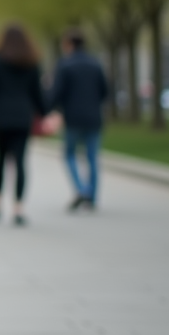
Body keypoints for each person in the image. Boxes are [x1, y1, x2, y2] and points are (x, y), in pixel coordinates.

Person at [0, 24, 50, 226]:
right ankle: (18, 208)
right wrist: (44, 114)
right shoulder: (31, 61)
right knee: (21, 161)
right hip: (22, 117)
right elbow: (37, 93)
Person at [49, 27, 109, 211]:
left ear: (68, 44)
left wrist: (48, 109)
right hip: (94, 117)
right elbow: (105, 91)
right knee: (92, 157)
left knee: (70, 154)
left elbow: (56, 93)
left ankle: (82, 189)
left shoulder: (65, 65)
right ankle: (91, 195)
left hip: (73, 117)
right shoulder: (96, 64)